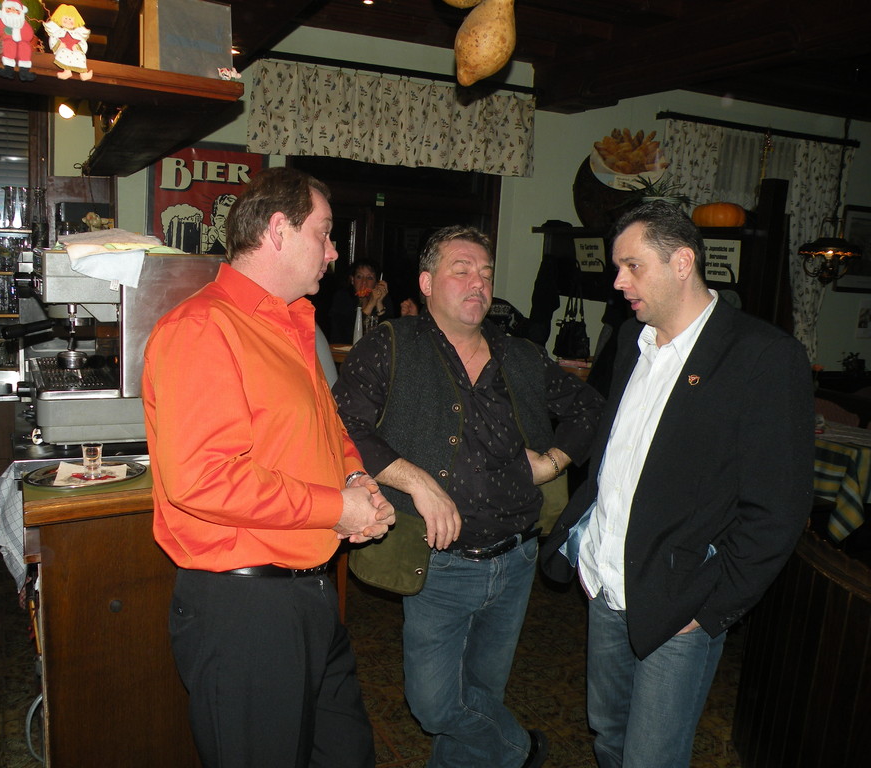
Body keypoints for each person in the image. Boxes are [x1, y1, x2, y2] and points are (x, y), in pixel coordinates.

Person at [540, 201, 813, 768]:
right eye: (618, 267)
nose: (619, 282)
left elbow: (778, 510)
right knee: (608, 735)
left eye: (632, 266)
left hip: (680, 603)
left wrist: (711, 609)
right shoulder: (629, 340)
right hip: (606, 582)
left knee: (651, 758)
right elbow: (617, 452)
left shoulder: (762, 356)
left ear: (682, 262)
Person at [142, 167, 395, 768]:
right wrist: (336, 509)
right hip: (244, 610)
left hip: (308, 595)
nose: (333, 253)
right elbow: (202, 479)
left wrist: (354, 480)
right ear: (279, 230)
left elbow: (326, 429)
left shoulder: (290, 322)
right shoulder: (204, 327)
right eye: (324, 233)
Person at [333, 225, 604, 768]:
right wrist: (417, 481)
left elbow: (590, 407)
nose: (477, 282)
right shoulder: (390, 344)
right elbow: (342, 424)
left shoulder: (521, 355)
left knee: (482, 694)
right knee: (434, 704)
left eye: (485, 273)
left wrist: (553, 462)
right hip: (439, 562)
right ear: (427, 282)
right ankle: (521, 749)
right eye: (461, 270)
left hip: (516, 557)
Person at [328, 259, 395, 342]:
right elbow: (347, 334)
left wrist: (379, 303)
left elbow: (389, 336)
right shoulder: (342, 297)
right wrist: (371, 304)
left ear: (376, 283)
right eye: (359, 277)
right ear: (352, 280)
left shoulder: (385, 299)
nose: (364, 282)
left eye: (369, 278)